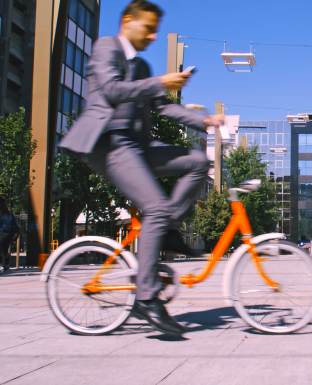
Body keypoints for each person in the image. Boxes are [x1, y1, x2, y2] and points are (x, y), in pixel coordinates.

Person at [58, 0, 223, 335]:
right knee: (155, 207)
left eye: (155, 31)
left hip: (141, 147)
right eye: (148, 28)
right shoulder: (107, 48)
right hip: (111, 144)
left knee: (197, 161)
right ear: (128, 20)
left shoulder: (144, 67)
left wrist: (202, 119)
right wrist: (162, 82)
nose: (152, 36)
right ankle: (147, 298)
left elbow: (162, 108)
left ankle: (166, 226)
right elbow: (112, 91)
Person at [0, 197, 19, 273]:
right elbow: (16, 228)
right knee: (4, 250)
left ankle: (3, 264)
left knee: (2, 249)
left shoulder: (4, 214)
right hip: (8, 235)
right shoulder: (9, 214)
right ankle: (5, 264)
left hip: (3, 234)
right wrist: (14, 237)